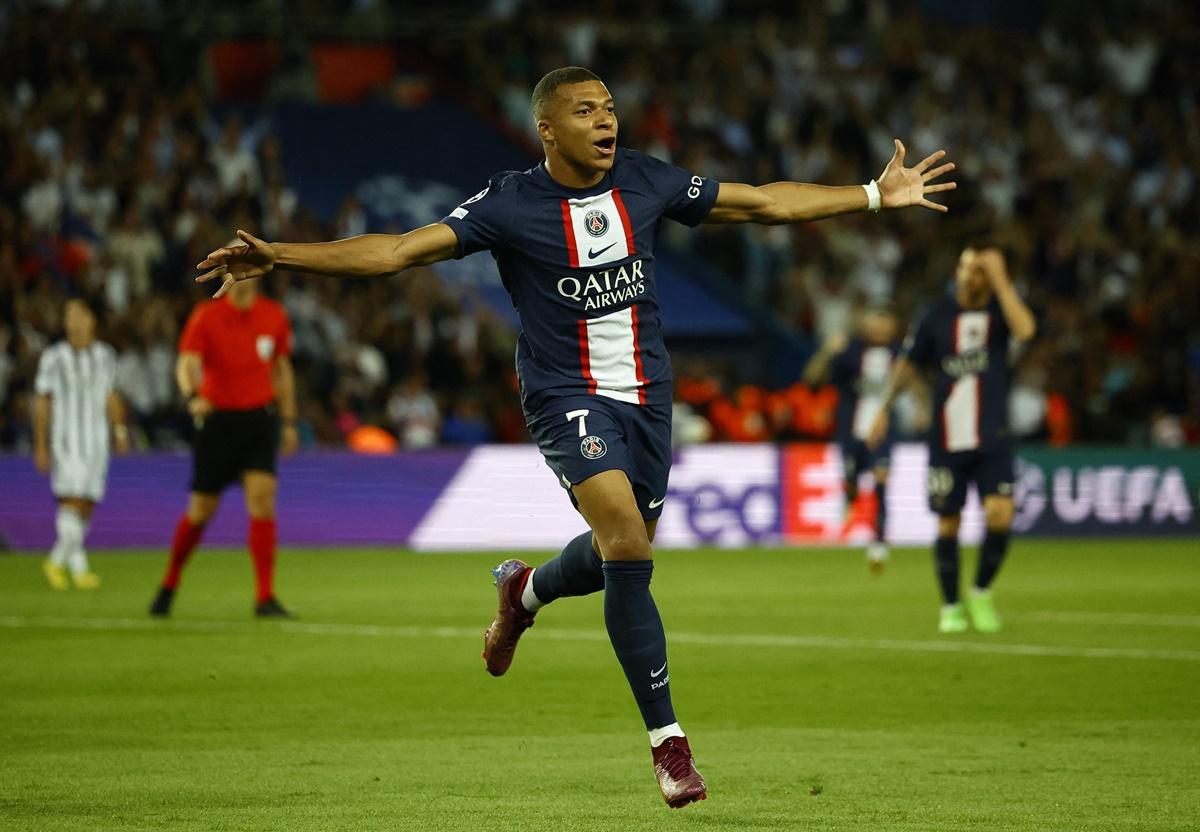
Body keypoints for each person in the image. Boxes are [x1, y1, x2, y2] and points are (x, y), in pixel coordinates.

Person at [195, 66, 956, 807]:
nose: (606, 120)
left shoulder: (647, 179)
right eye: (586, 110)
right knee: (627, 538)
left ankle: (522, 591)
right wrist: (281, 256)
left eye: (610, 107)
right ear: (547, 128)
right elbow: (396, 250)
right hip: (566, 396)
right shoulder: (509, 203)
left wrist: (871, 195)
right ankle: (668, 743)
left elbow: (761, 203)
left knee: (619, 549)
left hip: (649, 399)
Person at [868, 247, 1035, 633]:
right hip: (946, 438)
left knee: (1000, 513)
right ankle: (950, 606)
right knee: (948, 524)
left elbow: (1026, 330)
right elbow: (908, 365)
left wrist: (1002, 280)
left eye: (978, 271)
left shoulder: (999, 313)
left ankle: (980, 591)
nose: (969, 276)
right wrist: (882, 408)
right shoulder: (936, 317)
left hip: (993, 435)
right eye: (964, 268)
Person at [148, 277, 299, 618]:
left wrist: (289, 421)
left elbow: (281, 369)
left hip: (259, 420)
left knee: (262, 501)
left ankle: (265, 596)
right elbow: (187, 362)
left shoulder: (273, 315)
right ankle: (169, 582)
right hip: (218, 422)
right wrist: (192, 396)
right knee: (201, 510)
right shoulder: (206, 315)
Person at [33, 298, 130, 589]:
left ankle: (76, 569)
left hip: (97, 442)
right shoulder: (53, 358)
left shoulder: (105, 355)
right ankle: (57, 561)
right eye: (68, 315)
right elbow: (42, 401)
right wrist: (40, 444)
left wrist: (120, 431)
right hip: (67, 441)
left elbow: (111, 397)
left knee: (87, 504)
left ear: (92, 320)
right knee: (72, 500)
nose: (73, 321)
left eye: (79, 314)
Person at [803, 307, 904, 571]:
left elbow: (914, 379)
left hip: (882, 432)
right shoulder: (850, 352)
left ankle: (879, 543)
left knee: (882, 481)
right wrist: (827, 352)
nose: (880, 326)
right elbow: (811, 379)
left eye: (885, 319)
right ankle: (849, 495)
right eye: (875, 319)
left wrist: (923, 404)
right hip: (851, 433)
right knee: (851, 482)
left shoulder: (900, 353)